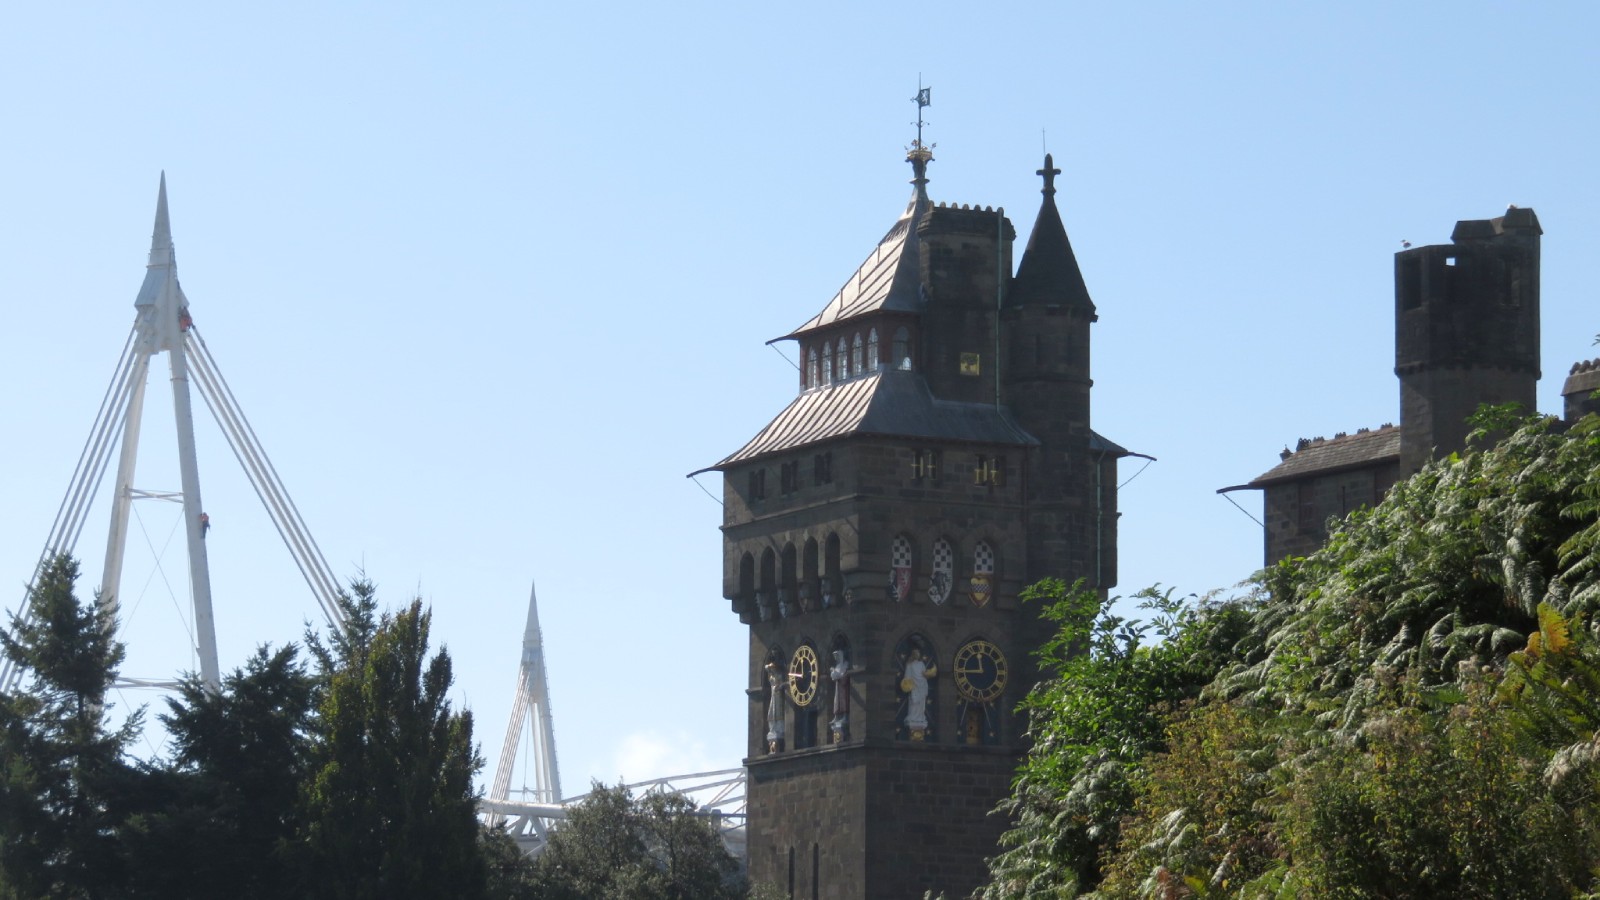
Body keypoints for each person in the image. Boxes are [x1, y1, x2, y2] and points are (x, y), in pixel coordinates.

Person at [901, 647, 937, 738]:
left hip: (921, 686)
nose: (917, 655)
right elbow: (907, 677)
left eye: (918, 654)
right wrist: (907, 684)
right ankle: (913, 717)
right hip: (914, 687)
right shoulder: (909, 664)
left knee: (921, 704)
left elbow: (924, 674)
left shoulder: (921, 664)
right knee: (914, 703)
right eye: (916, 653)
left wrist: (930, 673)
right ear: (913, 655)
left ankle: (920, 718)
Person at [829, 650, 864, 740]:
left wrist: (836, 674)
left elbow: (844, 675)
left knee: (843, 701)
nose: (836, 659)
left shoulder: (845, 665)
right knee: (837, 702)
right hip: (838, 686)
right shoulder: (837, 666)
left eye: (837, 657)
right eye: (835, 657)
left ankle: (844, 716)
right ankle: (837, 716)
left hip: (843, 687)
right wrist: (833, 672)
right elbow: (834, 677)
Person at [765, 661, 786, 752]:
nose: (771, 670)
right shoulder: (771, 677)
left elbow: (782, 684)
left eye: (773, 668)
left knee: (778, 711)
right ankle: (773, 728)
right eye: (771, 669)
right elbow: (766, 668)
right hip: (774, 696)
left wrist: (780, 686)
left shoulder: (779, 675)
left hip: (778, 696)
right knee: (771, 712)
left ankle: (779, 728)